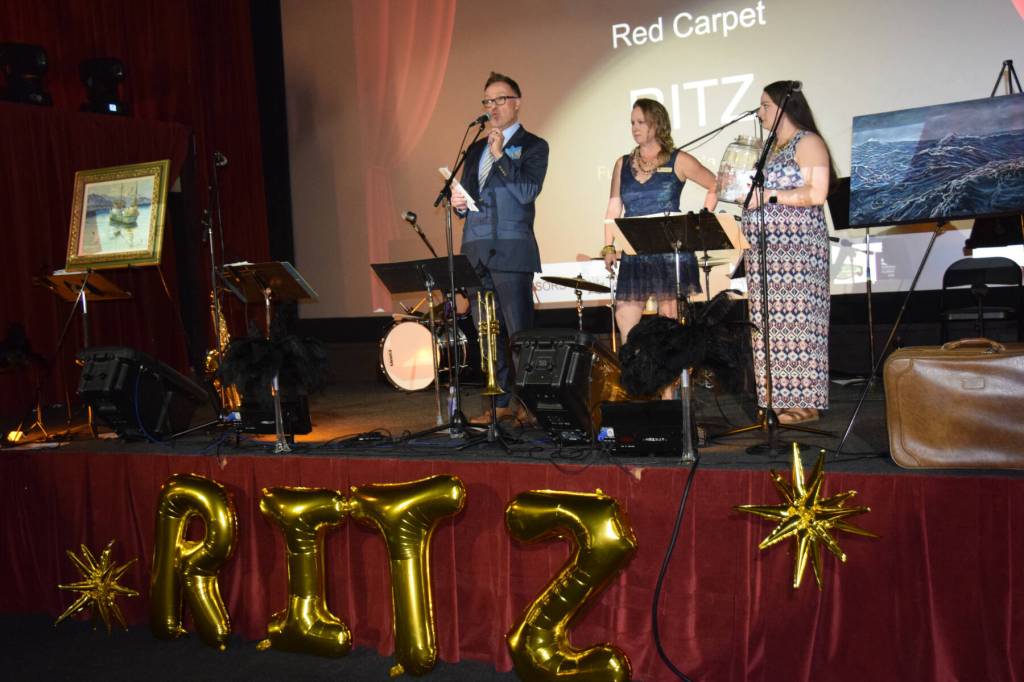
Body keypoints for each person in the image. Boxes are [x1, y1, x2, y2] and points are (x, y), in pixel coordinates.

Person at [452, 72, 548, 423]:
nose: (492, 107)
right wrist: (459, 202)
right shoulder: (474, 149)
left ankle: (527, 403)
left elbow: (526, 192)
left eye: (499, 99)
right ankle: (499, 402)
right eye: (487, 101)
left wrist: (501, 156)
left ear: (516, 102)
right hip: (476, 248)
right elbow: (469, 197)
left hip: (511, 248)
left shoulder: (534, 145)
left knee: (519, 332)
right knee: (486, 332)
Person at [741, 80, 835, 425]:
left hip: (797, 254)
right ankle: (774, 400)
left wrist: (769, 198)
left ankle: (805, 404)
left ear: (784, 106)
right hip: (766, 254)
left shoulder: (807, 141)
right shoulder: (771, 149)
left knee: (799, 324)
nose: (760, 112)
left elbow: (818, 192)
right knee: (768, 327)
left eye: (765, 105)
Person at [602, 98, 718, 347]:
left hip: (670, 252)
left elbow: (714, 184)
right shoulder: (622, 163)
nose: (635, 127)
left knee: (668, 319)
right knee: (624, 314)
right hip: (635, 251)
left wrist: (700, 221)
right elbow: (614, 205)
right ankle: (636, 379)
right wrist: (608, 245)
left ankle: (668, 386)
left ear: (657, 124)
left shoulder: (678, 160)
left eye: (641, 122)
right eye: (632, 122)